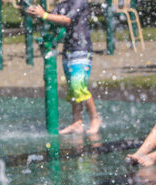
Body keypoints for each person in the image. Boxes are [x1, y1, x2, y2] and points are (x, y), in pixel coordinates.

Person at [25, 0, 101, 135]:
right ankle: (77, 122)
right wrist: (35, 14)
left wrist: (44, 15)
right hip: (68, 51)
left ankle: (95, 118)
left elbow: (66, 20)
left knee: (79, 87)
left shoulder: (79, 2)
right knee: (72, 88)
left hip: (82, 50)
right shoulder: (61, 4)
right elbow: (50, 19)